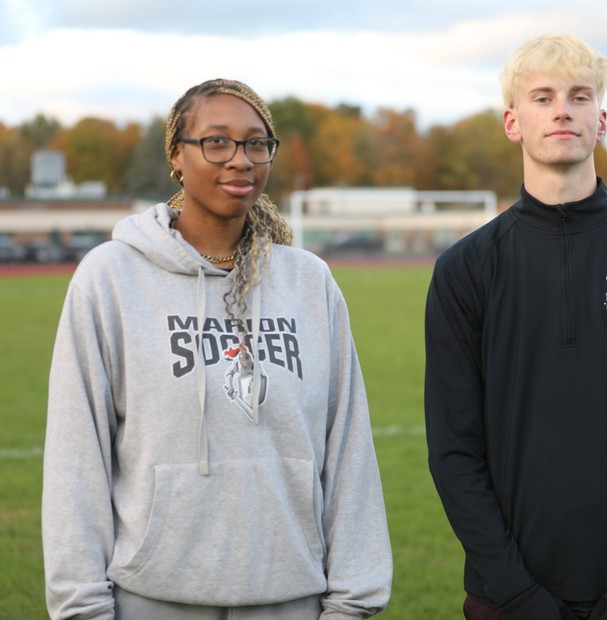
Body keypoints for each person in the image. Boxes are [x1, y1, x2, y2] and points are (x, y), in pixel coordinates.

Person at [42, 78, 392, 620]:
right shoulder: (111, 278)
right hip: (152, 598)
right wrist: (81, 607)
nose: (240, 159)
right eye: (217, 141)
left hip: (291, 597)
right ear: (177, 157)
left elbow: (348, 447)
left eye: (257, 144)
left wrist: (352, 600)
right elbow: (76, 455)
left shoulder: (308, 282)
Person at [424, 35, 607, 620]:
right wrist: (514, 592)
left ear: (601, 120)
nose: (562, 109)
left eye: (579, 97)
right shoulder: (465, 268)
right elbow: (454, 448)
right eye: (543, 96)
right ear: (513, 122)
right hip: (508, 594)